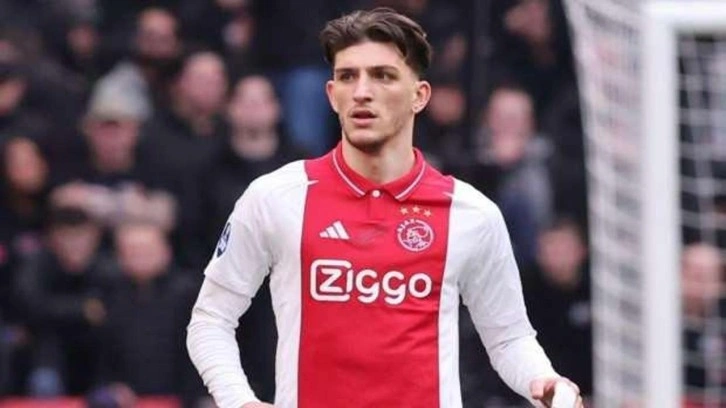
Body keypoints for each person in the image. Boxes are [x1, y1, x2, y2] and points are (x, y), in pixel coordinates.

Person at [187, 7, 583, 408]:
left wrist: (543, 379)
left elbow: (509, 338)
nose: (362, 91)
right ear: (332, 95)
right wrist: (240, 401)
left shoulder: (471, 214)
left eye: (383, 76)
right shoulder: (275, 197)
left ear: (419, 96)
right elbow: (211, 319)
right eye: (348, 76)